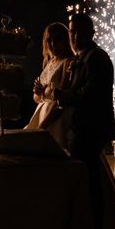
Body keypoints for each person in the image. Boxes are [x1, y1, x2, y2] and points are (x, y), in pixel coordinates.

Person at [53, 13, 115, 229]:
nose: (74, 36)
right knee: (86, 180)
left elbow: (90, 94)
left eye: (78, 31)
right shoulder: (81, 58)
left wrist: (61, 95)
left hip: (91, 128)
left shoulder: (98, 58)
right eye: (71, 31)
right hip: (80, 127)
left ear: (91, 32)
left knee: (89, 183)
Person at [25, 22, 74, 154]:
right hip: (42, 111)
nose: (52, 44)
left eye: (57, 39)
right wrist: (38, 92)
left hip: (56, 116)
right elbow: (38, 98)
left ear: (65, 40)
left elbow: (62, 97)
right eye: (49, 40)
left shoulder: (68, 62)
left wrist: (43, 126)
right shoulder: (49, 62)